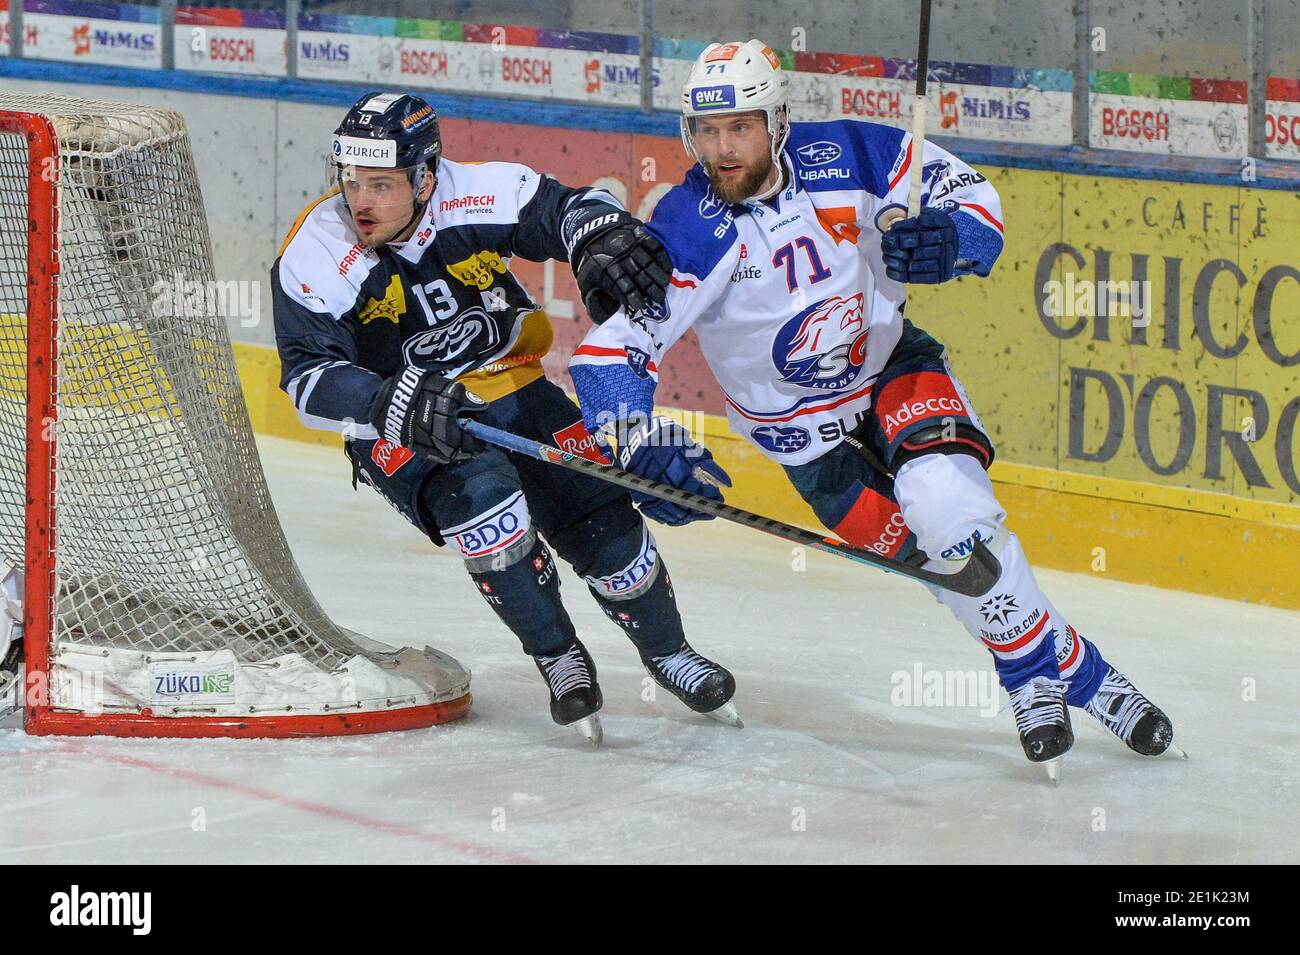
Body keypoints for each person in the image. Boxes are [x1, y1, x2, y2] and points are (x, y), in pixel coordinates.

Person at [568, 41, 1176, 771]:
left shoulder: (853, 152)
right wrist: (635, 439)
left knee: (947, 506)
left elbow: (974, 196)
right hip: (809, 450)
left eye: (741, 127)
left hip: (894, 375)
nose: (722, 149)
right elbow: (608, 356)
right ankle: (1080, 669)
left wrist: (953, 236)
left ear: (779, 120)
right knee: (951, 567)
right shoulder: (689, 225)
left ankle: (1025, 677)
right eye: (707, 130)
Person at [271, 91, 739, 744]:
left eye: (382, 182)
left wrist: (601, 234)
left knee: (600, 517)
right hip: (399, 421)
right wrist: (385, 402)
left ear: (427, 175)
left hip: (508, 383)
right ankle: (557, 655)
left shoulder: (478, 191)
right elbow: (306, 378)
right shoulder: (315, 251)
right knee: (485, 508)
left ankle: (667, 650)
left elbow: (570, 208)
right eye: (351, 180)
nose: (361, 201)